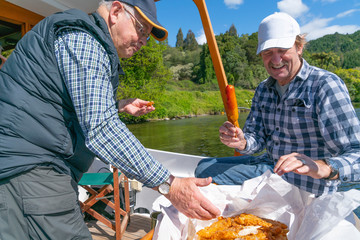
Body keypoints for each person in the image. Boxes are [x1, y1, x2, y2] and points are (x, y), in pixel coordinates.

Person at [0, 0, 220, 239]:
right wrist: (170, 185)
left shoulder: (82, 37)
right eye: (141, 30)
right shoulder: (84, 38)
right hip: (32, 167)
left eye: (146, 37)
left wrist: (118, 106)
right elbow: (101, 129)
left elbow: (66, 106)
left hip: (31, 166)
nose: (143, 42)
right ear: (116, 12)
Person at [195, 12, 360, 197]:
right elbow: (256, 139)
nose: (275, 60)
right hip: (270, 167)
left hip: (305, 185)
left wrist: (324, 167)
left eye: (282, 50)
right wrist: (242, 142)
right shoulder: (263, 89)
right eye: (268, 52)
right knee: (203, 166)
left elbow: (357, 152)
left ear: (299, 47)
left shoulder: (325, 85)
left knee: (204, 173)